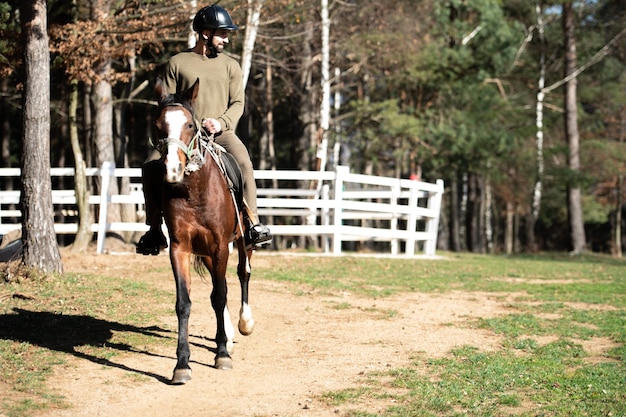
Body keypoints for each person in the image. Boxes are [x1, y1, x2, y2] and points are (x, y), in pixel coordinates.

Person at [136, 4, 271, 255]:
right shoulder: (177, 62)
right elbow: (166, 102)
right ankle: (153, 229)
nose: (227, 39)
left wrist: (221, 122)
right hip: (182, 136)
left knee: (244, 163)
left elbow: (238, 103)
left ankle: (252, 224)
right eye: (223, 33)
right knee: (150, 165)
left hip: (221, 133)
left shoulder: (231, 65)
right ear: (206, 33)